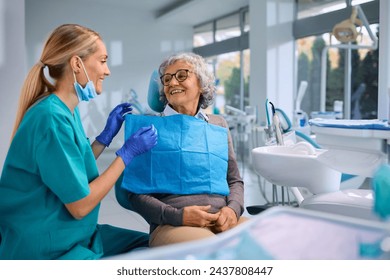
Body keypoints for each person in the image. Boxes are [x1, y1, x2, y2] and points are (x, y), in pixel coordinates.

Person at [0, 24, 157, 260]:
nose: (107, 71)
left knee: (152, 244)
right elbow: (81, 206)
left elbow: (68, 169)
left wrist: (104, 138)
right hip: (44, 245)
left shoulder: (65, 110)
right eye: (102, 61)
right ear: (76, 64)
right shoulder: (51, 118)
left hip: (71, 233)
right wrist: (127, 154)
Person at [117, 52, 247, 247]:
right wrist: (179, 216)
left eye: (182, 75)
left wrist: (233, 210)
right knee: (213, 253)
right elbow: (135, 193)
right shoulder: (149, 128)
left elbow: (234, 179)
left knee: (272, 242)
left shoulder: (218, 125)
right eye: (167, 79)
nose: (172, 83)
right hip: (172, 224)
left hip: (222, 218)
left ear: (202, 84)